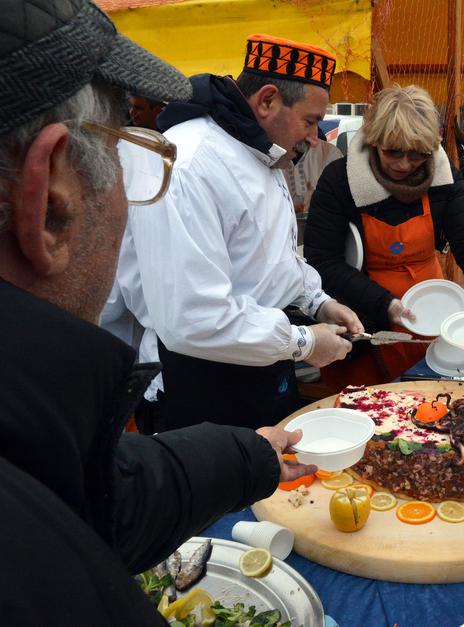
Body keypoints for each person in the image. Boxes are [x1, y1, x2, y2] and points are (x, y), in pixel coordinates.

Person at [0, 0, 316, 622]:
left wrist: (245, 455)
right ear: (54, 203)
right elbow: (193, 318)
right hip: (208, 368)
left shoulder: (36, 441)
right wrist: (304, 344)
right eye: (124, 153)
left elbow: (99, 495)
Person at [127, 35, 364, 431]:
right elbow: (194, 318)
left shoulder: (259, 149)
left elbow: (270, 257)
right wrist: (305, 342)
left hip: (264, 358)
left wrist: (317, 301)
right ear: (267, 100)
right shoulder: (192, 163)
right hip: (204, 382)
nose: (314, 136)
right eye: (309, 121)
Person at [305, 84, 464, 386]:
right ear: (375, 140)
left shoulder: (443, 177)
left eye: (416, 155)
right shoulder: (340, 180)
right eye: (393, 152)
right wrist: (385, 304)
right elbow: (324, 261)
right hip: (362, 315)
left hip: (429, 311)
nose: (403, 164)